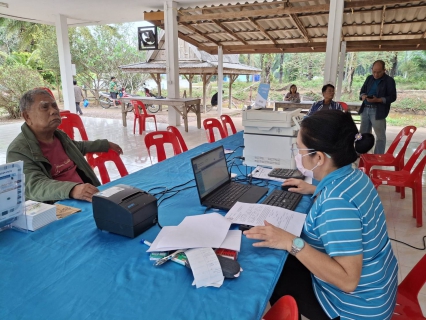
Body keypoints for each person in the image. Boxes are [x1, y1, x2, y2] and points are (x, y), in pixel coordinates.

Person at [245, 110, 398, 320]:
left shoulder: (336, 203)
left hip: (355, 308)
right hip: (377, 290)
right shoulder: (354, 176)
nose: (298, 156)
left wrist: (291, 242)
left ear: (318, 157)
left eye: (300, 150)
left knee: (273, 273)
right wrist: (314, 189)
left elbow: (348, 281)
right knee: (283, 259)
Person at [6, 88, 123, 203]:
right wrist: (72, 189)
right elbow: (34, 185)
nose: (54, 111)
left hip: (85, 197)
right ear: (27, 117)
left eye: (54, 106)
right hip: (58, 208)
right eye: (45, 107)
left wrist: (103, 144)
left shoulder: (58, 136)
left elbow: (76, 147)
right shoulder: (17, 151)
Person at [359, 60, 397, 154]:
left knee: (380, 136)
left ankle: (378, 156)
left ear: (384, 70)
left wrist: (378, 100)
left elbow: (392, 97)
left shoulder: (389, 81)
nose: (375, 74)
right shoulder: (369, 78)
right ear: (372, 69)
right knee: (363, 134)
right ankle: (361, 153)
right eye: (374, 71)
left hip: (378, 111)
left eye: (378, 72)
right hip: (365, 108)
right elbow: (362, 91)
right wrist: (363, 96)